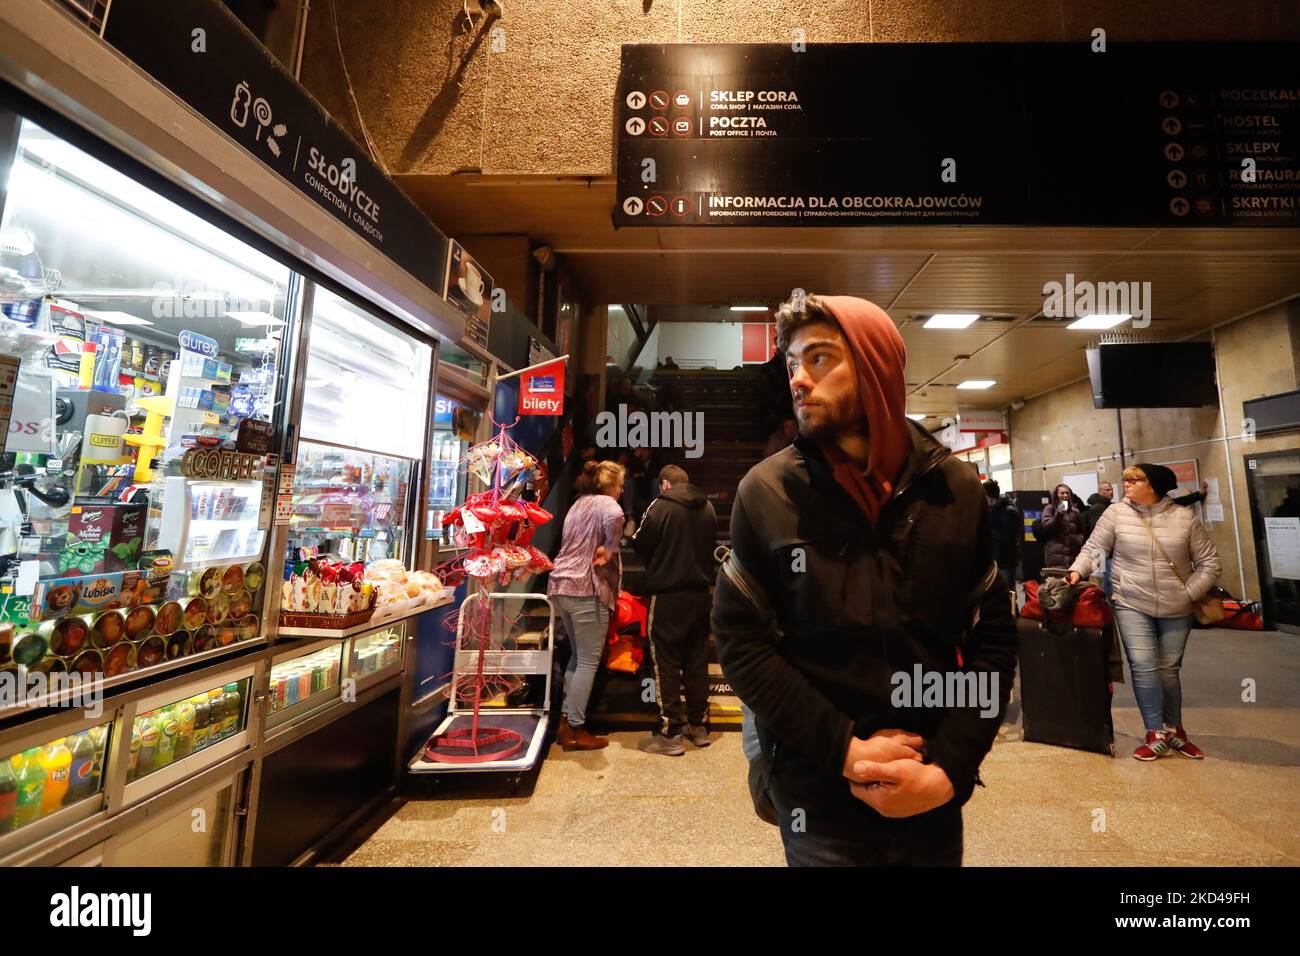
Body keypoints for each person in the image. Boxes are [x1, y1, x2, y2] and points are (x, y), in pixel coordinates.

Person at [711, 293, 1017, 867]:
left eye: (820, 359)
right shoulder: (768, 491)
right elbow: (741, 642)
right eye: (792, 364)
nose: (798, 379)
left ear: (876, 369)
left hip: (929, 781)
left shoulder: (955, 490)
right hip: (818, 790)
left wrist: (952, 769)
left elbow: (992, 641)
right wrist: (846, 750)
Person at [1066, 463, 1221, 761]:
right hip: (1131, 602)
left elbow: (1210, 563)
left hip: (1177, 608)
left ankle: (1174, 729)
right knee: (1143, 665)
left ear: (1155, 486)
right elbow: (1095, 549)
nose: (1127, 484)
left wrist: (1188, 593)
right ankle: (1155, 732)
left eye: (1135, 479)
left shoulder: (1183, 518)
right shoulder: (1115, 514)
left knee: (1168, 670)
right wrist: (1077, 572)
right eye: (1125, 479)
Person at [631, 464, 718, 756]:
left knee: (665, 662)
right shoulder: (708, 508)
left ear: (665, 484)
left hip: (667, 595)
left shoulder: (661, 506)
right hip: (701, 596)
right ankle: (699, 726)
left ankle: (671, 734)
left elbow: (640, 542)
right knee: (696, 661)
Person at [548, 460, 627, 751]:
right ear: (610, 485)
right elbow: (614, 524)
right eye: (620, 485)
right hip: (586, 588)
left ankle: (565, 723)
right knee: (588, 660)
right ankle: (575, 727)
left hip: (560, 586)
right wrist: (611, 547)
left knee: (577, 658)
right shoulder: (609, 506)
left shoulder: (579, 503)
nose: (621, 490)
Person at [1034, 483, 1087, 569]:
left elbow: (1081, 530)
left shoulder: (1075, 511)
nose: (1065, 495)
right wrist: (1058, 514)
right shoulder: (1049, 509)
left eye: (1067, 493)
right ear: (1056, 495)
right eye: (1062, 493)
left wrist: (1078, 540)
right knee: (1057, 580)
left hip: (1072, 554)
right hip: (1055, 556)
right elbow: (1046, 527)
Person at [983, 479, 1022, 589]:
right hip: (994, 559)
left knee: (1007, 592)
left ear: (988, 495)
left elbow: (1009, 538)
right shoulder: (991, 509)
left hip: (1006, 561)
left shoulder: (1008, 511)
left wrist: (989, 530)